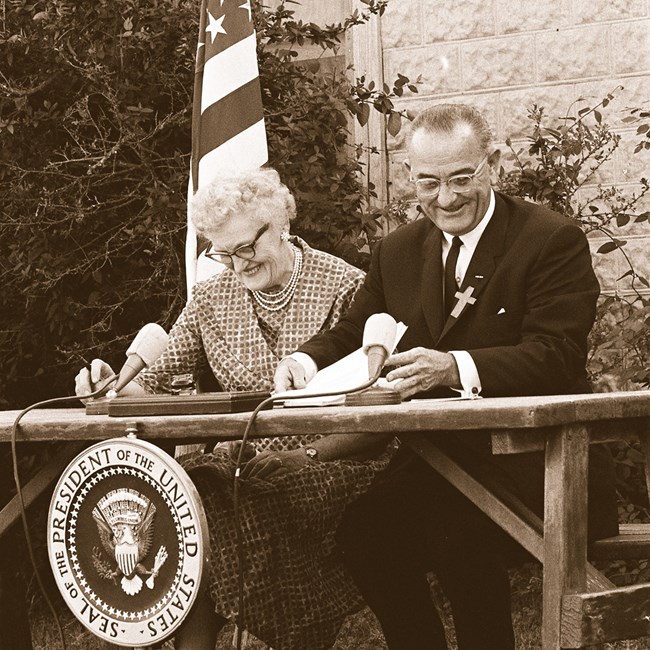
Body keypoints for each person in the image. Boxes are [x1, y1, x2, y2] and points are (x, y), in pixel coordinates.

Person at [274, 104, 618, 650]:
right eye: (428, 182)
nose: (446, 198)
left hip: (542, 464)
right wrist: (304, 362)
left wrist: (453, 366)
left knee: (453, 530)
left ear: (494, 165)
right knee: (365, 534)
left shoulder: (550, 239)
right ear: (411, 177)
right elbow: (353, 329)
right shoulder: (399, 251)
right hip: (441, 463)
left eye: (462, 179)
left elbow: (556, 355)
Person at [75, 167, 393, 650]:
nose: (237, 264)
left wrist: (304, 458)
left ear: (282, 222)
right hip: (237, 463)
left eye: (246, 247)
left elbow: (374, 410)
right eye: (222, 253)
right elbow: (151, 389)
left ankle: (293, 637)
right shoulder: (210, 297)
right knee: (193, 499)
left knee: (235, 505)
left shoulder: (345, 286)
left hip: (329, 459)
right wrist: (109, 390)